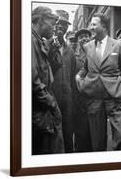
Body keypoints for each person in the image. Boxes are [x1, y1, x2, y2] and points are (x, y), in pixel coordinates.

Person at [75, 13, 121, 151]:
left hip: (115, 98)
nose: (91, 27)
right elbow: (86, 68)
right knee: (97, 144)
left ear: (104, 26)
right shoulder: (87, 46)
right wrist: (79, 78)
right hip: (94, 99)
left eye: (94, 24)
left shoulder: (118, 45)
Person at [32, 6, 64, 155]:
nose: (54, 27)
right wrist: (50, 101)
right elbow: (33, 80)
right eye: (51, 23)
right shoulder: (31, 41)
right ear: (40, 20)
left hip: (43, 109)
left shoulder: (38, 41)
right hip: (41, 109)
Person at [48, 10, 76, 153]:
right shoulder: (47, 45)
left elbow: (73, 76)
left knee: (68, 131)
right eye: (58, 23)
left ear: (67, 28)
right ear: (54, 24)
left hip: (68, 99)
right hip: (53, 97)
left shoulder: (70, 50)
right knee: (54, 134)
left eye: (64, 24)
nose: (61, 26)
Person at [73, 28, 92, 152]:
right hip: (78, 100)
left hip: (93, 99)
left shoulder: (96, 52)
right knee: (81, 132)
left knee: (94, 133)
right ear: (78, 40)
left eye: (86, 36)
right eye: (81, 37)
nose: (84, 38)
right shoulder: (73, 55)